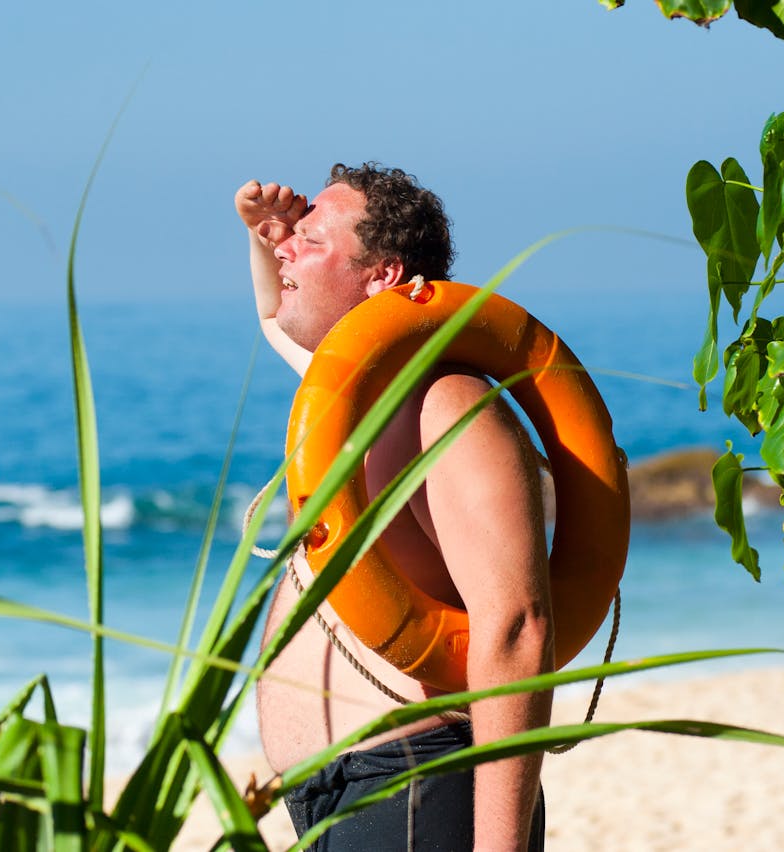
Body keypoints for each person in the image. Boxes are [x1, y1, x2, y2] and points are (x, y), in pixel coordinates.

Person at [236, 163, 551, 850]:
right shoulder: (348, 398)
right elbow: (272, 315)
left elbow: (517, 628)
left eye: (310, 241)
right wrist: (265, 234)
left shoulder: (445, 406)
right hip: (334, 798)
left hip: (417, 780)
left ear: (382, 276)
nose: (287, 250)